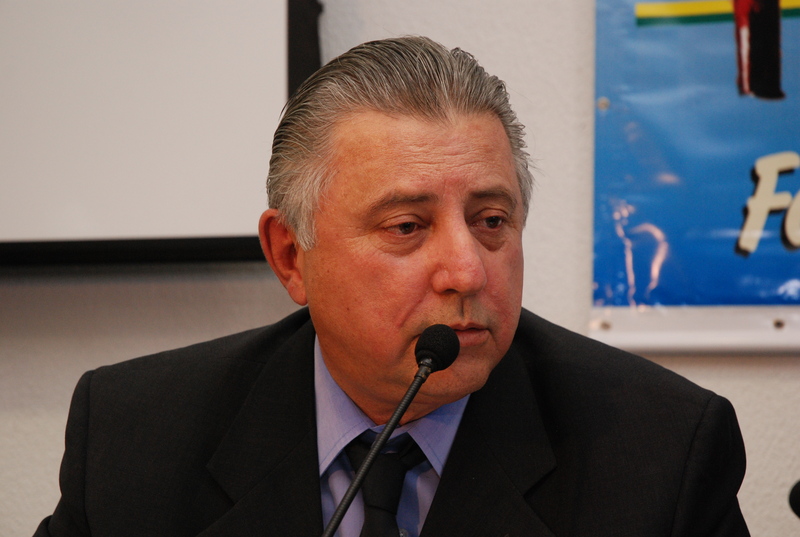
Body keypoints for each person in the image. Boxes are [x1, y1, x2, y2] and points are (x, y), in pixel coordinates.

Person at [35, 36, 750, 537]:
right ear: (291, 257)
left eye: (491, 220)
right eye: (407, 226)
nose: (467, 271)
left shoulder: (661, 452)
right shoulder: (135, 438)